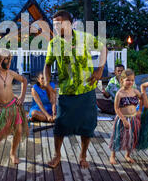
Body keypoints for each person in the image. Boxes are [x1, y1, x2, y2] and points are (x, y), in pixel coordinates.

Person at [44, 10, 107, 169]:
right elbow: (47, 64)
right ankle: (57, 155)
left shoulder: (84, 38)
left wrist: (99, 70)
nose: (56, 26)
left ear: (69, 23)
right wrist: (47, 82)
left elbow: (103, 48)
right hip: (66, 91)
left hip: (86, 89)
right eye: (55, 24)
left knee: (87, 126)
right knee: (60, 125)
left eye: (59, 23)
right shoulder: (54, 44)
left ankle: (83, 155)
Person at [109, 69, 146, 164]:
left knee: (131, 137)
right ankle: (112, 155)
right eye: (128, 80)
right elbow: (116, 109)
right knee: (118, 137)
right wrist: (124, 120)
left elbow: (142, 99)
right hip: (122, 118)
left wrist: (140, 110)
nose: (130, 82)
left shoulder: (135, 91)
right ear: (122, 80)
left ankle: (128, 155)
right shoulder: (120, 93)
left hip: (133, 118)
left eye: (132, 80)